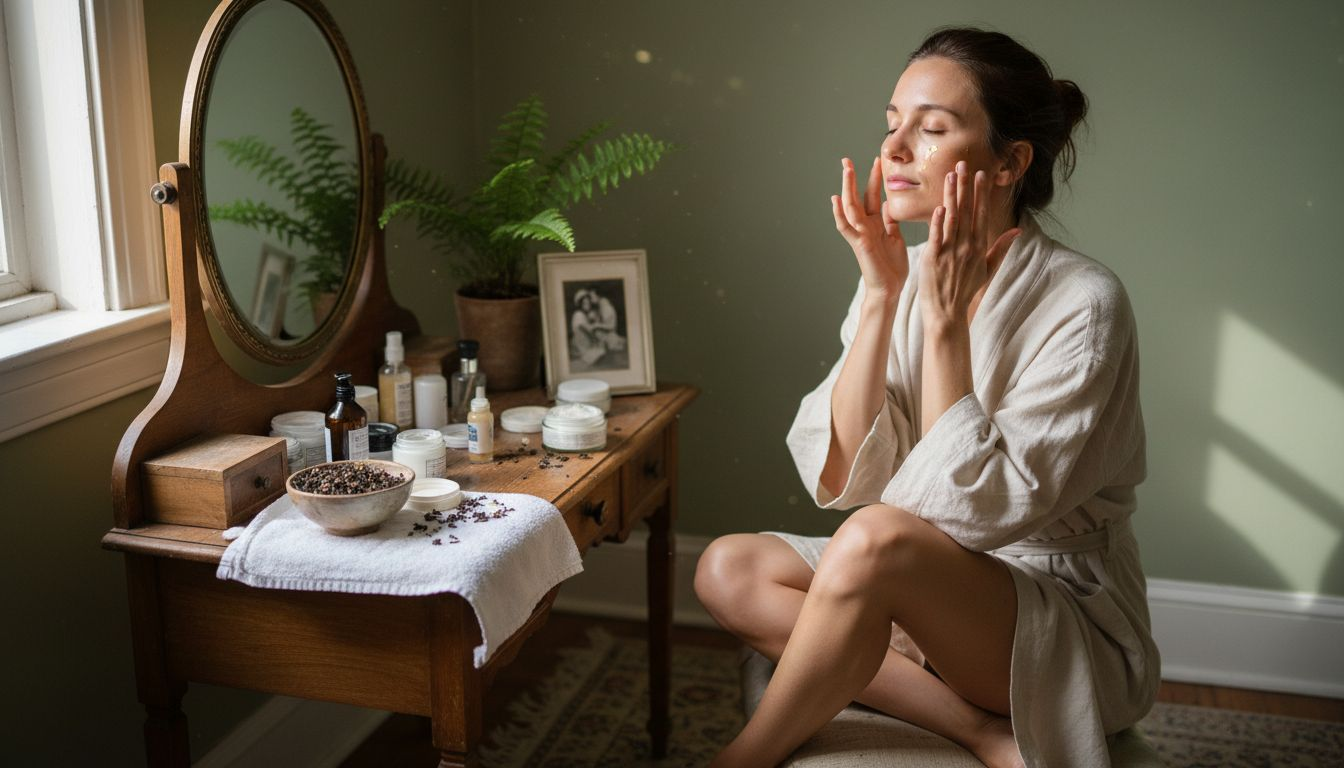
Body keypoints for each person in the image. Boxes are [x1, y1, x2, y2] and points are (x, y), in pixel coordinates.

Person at [695, 27, 1160, 768]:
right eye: (892, 124)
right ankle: (976, 731)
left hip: (1053, 615)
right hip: (915, 575)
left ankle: (743, 757)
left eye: (932, 127)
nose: (896, 149)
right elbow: (850, 473)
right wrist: (882, 294)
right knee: (728, 568)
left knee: (879, 540)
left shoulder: (1085, 303)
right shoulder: (905, 275)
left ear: (1010, 161)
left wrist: (944, 324)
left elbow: (970, 517)